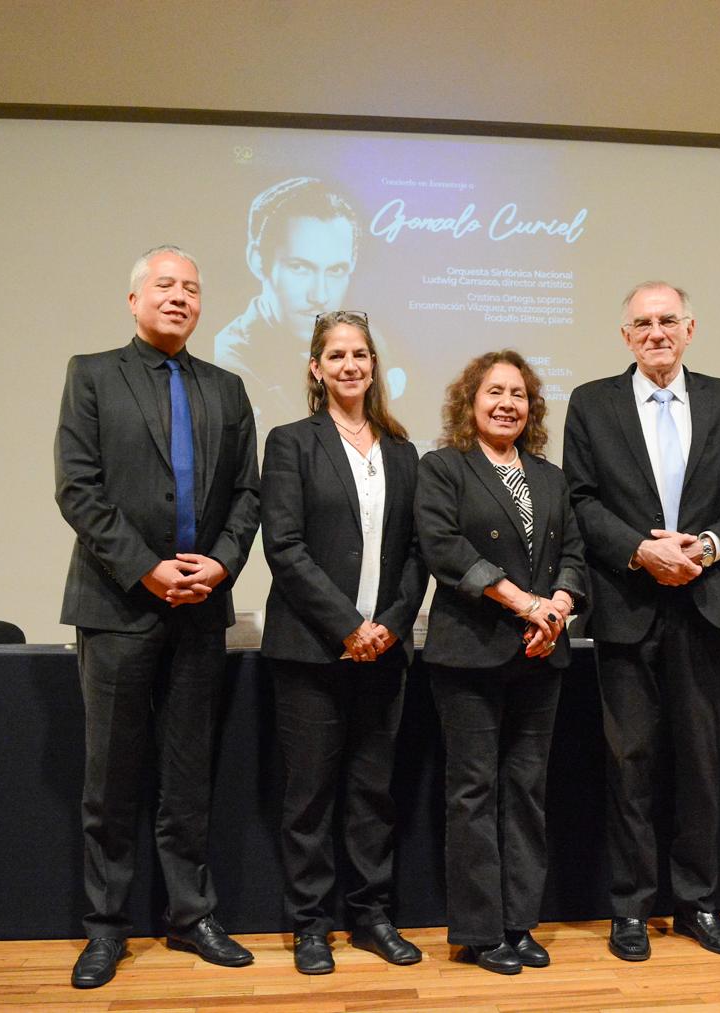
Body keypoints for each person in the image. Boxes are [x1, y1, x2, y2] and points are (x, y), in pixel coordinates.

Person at [55, 245, 260, 988]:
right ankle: (105, 927)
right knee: (110, 776)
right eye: (165, 286)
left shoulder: (227, 387)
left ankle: (190, 915)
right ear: (135, 298)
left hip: (201, 608)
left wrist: (222, 562)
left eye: (191, 289)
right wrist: (145, 566)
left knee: (187, 774)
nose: (179, 297)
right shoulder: (92, 374)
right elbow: (78, 489)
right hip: (116, 605)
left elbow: (248, 495)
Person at [562, 282, 720, 961]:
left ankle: (699, 903)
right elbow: (580, 499)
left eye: (668, 320)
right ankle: (630, 909)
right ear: (626, 336)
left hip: (705, 605)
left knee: (702, 765)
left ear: (690, 328)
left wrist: (705, 548)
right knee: (630, 764)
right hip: (626, 602)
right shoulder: (591, 402)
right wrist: (641, 549)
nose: (656, 332)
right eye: (643, 323)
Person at [259, 310, 428, 975]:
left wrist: (387, 622)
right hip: (310, 648)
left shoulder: (403, 450)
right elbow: (285, 546)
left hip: (385, 649)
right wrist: (347, 626)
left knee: (373, 792)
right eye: (337, 355)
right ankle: (310, 924)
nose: (351, 364)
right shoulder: (290, 442)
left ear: (372, 365)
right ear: (315, 367)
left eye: (360, 353)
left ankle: (371, 915)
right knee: (309, 795)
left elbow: (418, 554)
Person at [415, 350, 587, 975]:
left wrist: (559, 606)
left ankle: (519, 923)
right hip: (470, 655)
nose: (507, 403)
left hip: (541, 654)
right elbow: (442, 546)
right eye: (494, 392)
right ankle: (480, 931)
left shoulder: (549, 476)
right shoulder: (443, 469)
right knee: (473, 792)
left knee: (526, 792)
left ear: (531, 407)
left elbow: (574, 550)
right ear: (471, 401)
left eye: (518, 393)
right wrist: (524, 604)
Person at [214, 177, 405, 440]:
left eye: (336, 270)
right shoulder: (229, 360)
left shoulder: (377, 342)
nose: (320, 295)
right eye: (300, 268)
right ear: (257, 260)